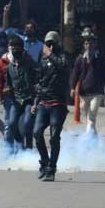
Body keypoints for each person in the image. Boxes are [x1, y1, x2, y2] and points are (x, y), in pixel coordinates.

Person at [33, 31, 70, 182]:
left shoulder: (63, 56)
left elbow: (64, 67)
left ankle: (52, 169)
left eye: (52, 43)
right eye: (47, 44)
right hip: (44, 102)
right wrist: (35, 102)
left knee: (54, 137)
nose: (50, 46)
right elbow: (38, 81)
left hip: (58, 103)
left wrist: (50, 55)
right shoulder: (42, 59)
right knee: (37, 133)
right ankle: (44, 162)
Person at [70, 31, 105, 134]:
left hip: (97, 93)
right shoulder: (80, 59)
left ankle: (88, 141)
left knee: (91, 116)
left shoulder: (100, 59)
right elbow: (74, 75)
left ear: (95, 44)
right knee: (88, 118)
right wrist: (72, 88)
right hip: (84, 93)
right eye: (87, 43)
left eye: (91, 43)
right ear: (84, 45)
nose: (89, 45)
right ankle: (94, 140)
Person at [3, 35, 39, 151]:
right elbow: (8, 83)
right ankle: (19, 143)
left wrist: (37, 99)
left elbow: (38, 79)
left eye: (17, 48)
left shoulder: (30, 63)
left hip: (29, 99)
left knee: (28, 123)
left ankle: (28, 148)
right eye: (12, 48)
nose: (14, 51)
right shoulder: (10, 67)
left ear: (22, 49)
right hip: (16, 100)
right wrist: (6, 90)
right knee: (12, 124)